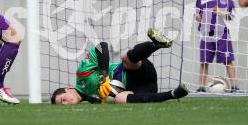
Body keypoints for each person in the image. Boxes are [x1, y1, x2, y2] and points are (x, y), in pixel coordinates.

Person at [51, 28, 189, 105]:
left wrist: (103, 75)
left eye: (63, 99)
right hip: (143, 90)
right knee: (120, 99)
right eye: (62, 105)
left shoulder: (82, 74)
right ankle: (173, 94)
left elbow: (101, 47)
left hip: (138, 71)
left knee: (125, 58)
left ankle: (157, 44)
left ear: (67, 89)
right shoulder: (91, 100)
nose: (66, 104)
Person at [195, 0, 238, 92]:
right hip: (206, 35)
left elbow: (232, 15)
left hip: (222, 34)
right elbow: (197, 13)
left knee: (228, 61)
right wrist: (198, 17)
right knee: (204, 62)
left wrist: (221, 12)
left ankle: (235, 86)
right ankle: (201, 87)